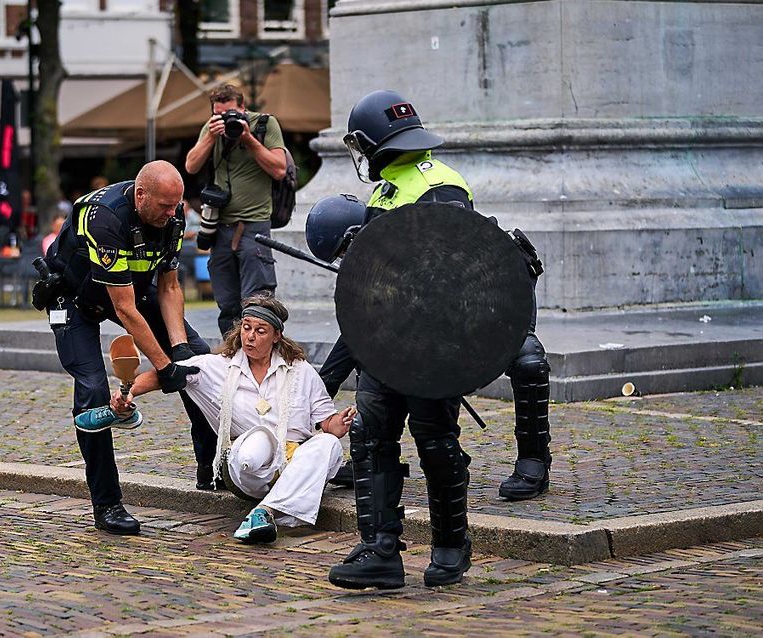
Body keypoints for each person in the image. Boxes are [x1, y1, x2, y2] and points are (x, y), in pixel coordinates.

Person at [321, 89, 553, 502]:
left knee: (527, 359)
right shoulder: (385, 191)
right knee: (378, 397)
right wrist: (327, 378)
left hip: (466, 308)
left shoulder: (438, 185)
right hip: (413, 315)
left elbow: (455, 274)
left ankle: (534, 461)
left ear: (373, 142)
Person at [40, 160, 219, 535]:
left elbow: (169, 286)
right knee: (91, 390)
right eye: (165, 206)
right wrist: (163, 365)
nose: (173, 214)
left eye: (177, 206)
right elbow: (124, 308)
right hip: (75, 297)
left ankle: (212, 467)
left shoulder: (172, 214)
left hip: (132, 290)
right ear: (141, 196)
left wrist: (180, 350)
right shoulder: (105, 218)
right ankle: (107, 504)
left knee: (199, 363)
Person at [98, 294, 356, 542]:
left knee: (329, 445)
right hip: (247, 467)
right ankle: (286, 499)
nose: (250, 337)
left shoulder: (301, 372)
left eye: (260, 331)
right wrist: (129, 392)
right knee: (260, 439)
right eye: (246, 328)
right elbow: (165, 374)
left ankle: (263, 513)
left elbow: (327, 424)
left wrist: (339, 423)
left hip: (292, 462)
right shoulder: (216, 366)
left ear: (277, 336)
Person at [184, 83, 288, 336]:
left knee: (258, 302)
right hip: (220, 228)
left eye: (231, 113)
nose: (225, 119)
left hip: (254, 225)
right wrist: (210, 135)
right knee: (228, 302)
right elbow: (190, 166)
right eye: (218, 114)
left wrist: (248, 139)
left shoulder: (264, 125)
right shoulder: (211, 130)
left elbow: (279, 169)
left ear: (243, 108)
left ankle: (260, 354)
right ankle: (233, 356)